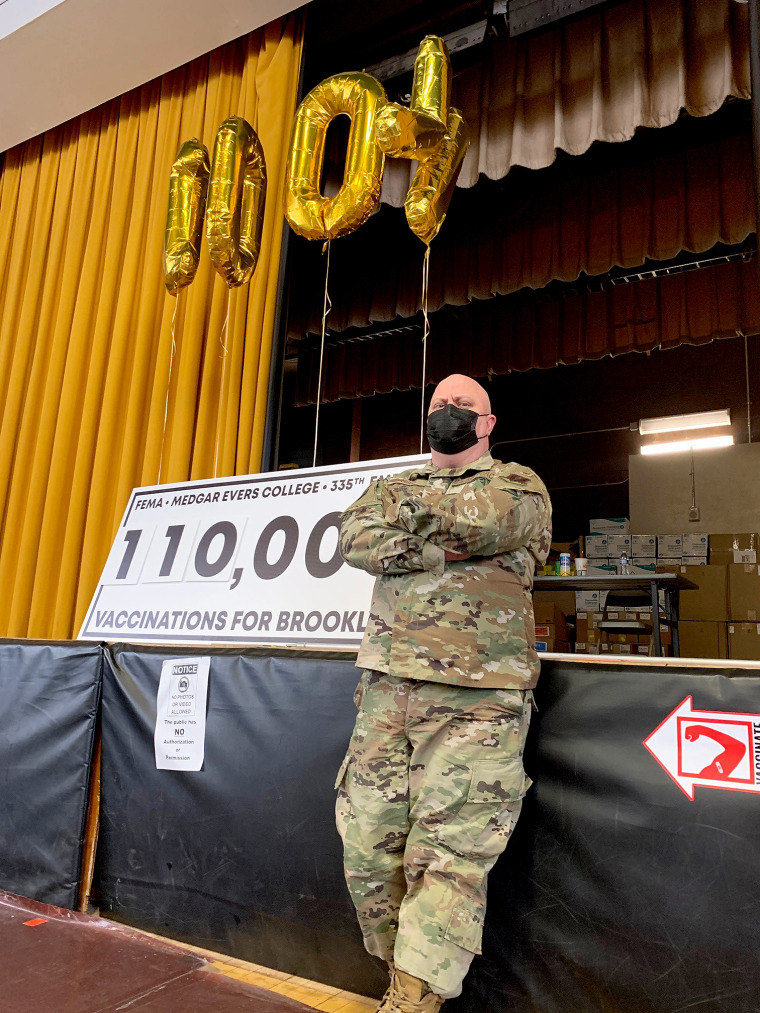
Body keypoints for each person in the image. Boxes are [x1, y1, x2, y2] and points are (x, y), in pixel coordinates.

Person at [336, 374, 552, 1012]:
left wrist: (409, 530)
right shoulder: (395, 484)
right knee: (367, 845)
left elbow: (485, 525)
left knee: (449, 852)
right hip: (387, 690)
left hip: (477, 699)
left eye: (462, 407)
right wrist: (437, 550)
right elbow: (354, 537)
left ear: (487, 423)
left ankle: (413, 998)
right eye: (437, 407)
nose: (448, 415)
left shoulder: (518, 485)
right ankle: (398, 967)